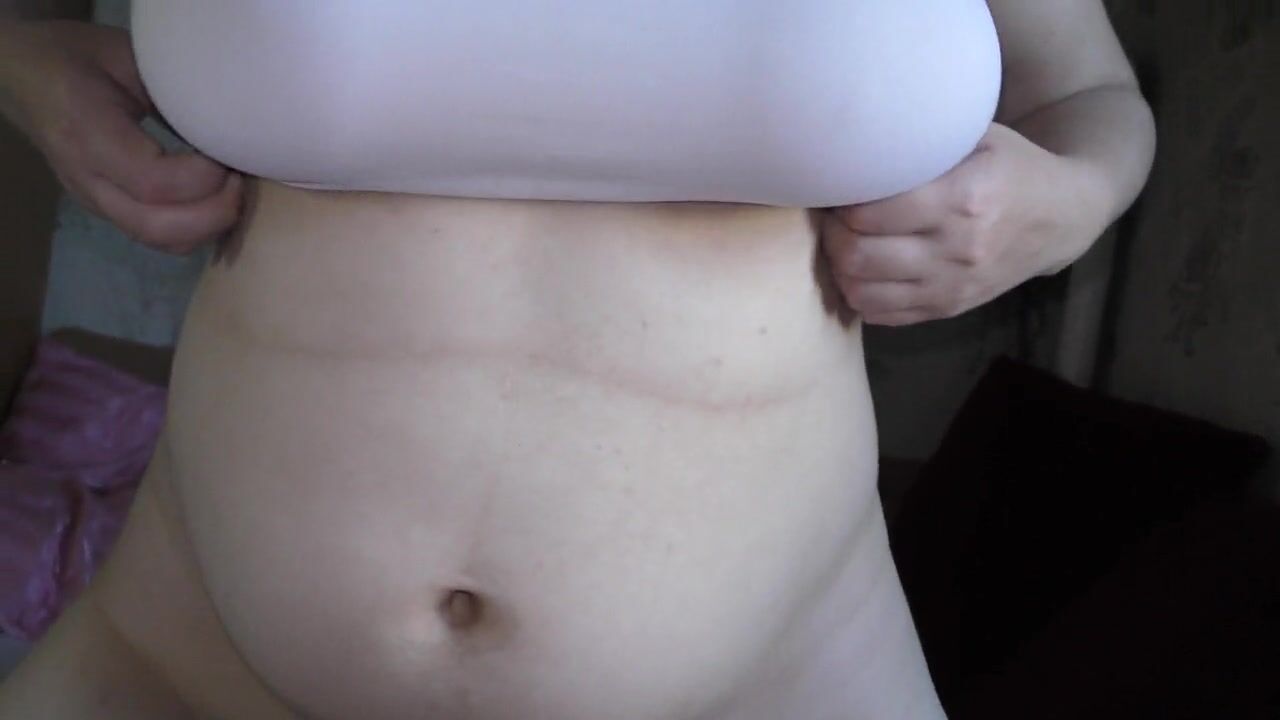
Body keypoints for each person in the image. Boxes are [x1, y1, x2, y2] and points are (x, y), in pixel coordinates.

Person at [0, 2, 1155, 718]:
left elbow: (1090, 96)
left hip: (778, 673)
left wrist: (1064, 203)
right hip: (185, 658)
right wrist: (30, 62)